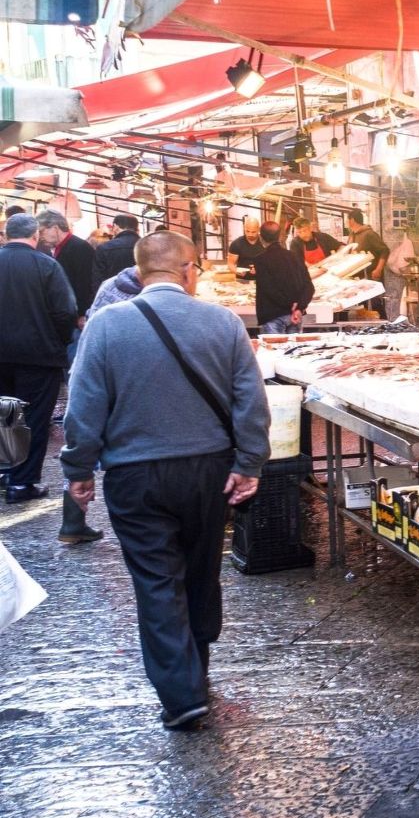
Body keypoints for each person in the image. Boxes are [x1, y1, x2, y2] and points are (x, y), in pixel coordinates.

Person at [62, 230, 268, 729]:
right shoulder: (223, 322)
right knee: (201, 570)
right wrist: (249, 463)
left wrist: (79, 468)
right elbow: (250, 400)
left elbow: (84, 402)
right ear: (189, 269)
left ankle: (182, 695)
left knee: (157, 581)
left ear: (136, 273)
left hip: (133, 475)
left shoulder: (106, 325)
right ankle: (196, 668)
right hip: (208, 469)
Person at [0, 211, 78, 508]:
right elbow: (65, 311)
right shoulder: (46, 264)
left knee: (5, 413)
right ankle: (22, 481)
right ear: (35, 236)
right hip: (38, 354)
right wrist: (57, 341)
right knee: (33, 417)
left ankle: (7, 471)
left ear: (6, 235)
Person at [33, 209, 102, 542]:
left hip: (77, 334)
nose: (40, 235)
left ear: (53, 228)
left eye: (42, 230)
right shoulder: (52, 255)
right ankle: (73, 521)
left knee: (80, 406)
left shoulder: (74, 251)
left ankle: (73, 520)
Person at [251, 223, 315, 331]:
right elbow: (309, 286)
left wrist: (291, 305)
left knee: (275, 348)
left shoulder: (260, 260)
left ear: (260, 237)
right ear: (280, 236)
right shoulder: (295, 257)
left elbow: (269, 289)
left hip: (272, 316)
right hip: (295, 315)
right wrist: (299, 307)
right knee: (295, 348)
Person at [345, 209, 394, 316]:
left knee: (376, 304)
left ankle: (383, 327)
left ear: (352, 220)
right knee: (362, 307)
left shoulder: (369, 234)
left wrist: (378, 269)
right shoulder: (352, 235)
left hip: (372, 276)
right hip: (358, 279)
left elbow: (384, 251)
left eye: (347, 219)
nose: (346, 222)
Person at [93, 213, 141, 284]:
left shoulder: (104, 248)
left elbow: (98, 279)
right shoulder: (147, 245)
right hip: (143, 292)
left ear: (115, 226)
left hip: (113, 292)